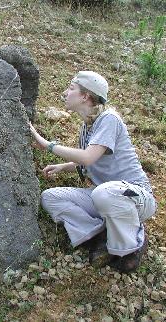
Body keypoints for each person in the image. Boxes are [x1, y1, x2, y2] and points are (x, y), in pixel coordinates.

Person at [29, 71, 157, 273]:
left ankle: (132, 243)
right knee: (50, 197)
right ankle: (101, 235)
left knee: (103, 193)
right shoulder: (86, 126)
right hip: (107, 196)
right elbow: (90, 161)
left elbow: (88, 157)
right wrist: (64, 167)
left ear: (85, 96)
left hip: (136, 198)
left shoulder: (109, 119)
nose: (65, 92)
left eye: (71, 88)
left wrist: (47, 145)